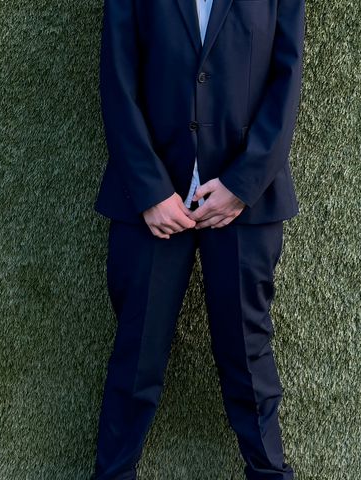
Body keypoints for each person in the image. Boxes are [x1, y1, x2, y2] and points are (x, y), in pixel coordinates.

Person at [92, 0, 305, 478]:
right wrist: (149, 190)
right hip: (150, 203)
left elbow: (286, 80)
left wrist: (242, 185)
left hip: (244, 203)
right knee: (136, 357)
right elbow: (117, 79)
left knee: (248, 357)